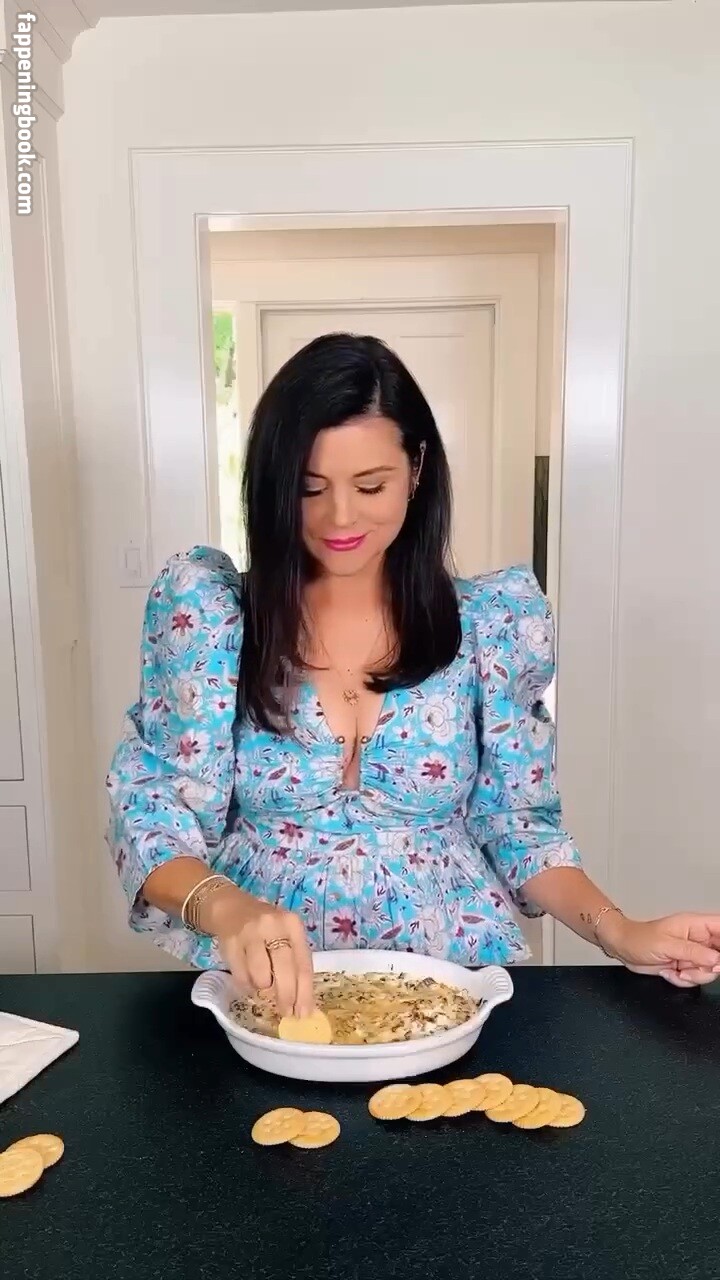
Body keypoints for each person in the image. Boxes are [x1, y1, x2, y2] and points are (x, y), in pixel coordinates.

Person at [107, 333, 720, 1019]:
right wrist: (223, 906)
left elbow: (520, 826)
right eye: (310, 488)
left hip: (443, 988)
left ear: (417, 468)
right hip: (266, 996)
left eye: (371, 485)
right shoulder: (213, 618)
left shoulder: (488, 625)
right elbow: (153, 814)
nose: (340, 516)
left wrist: (622, 932)